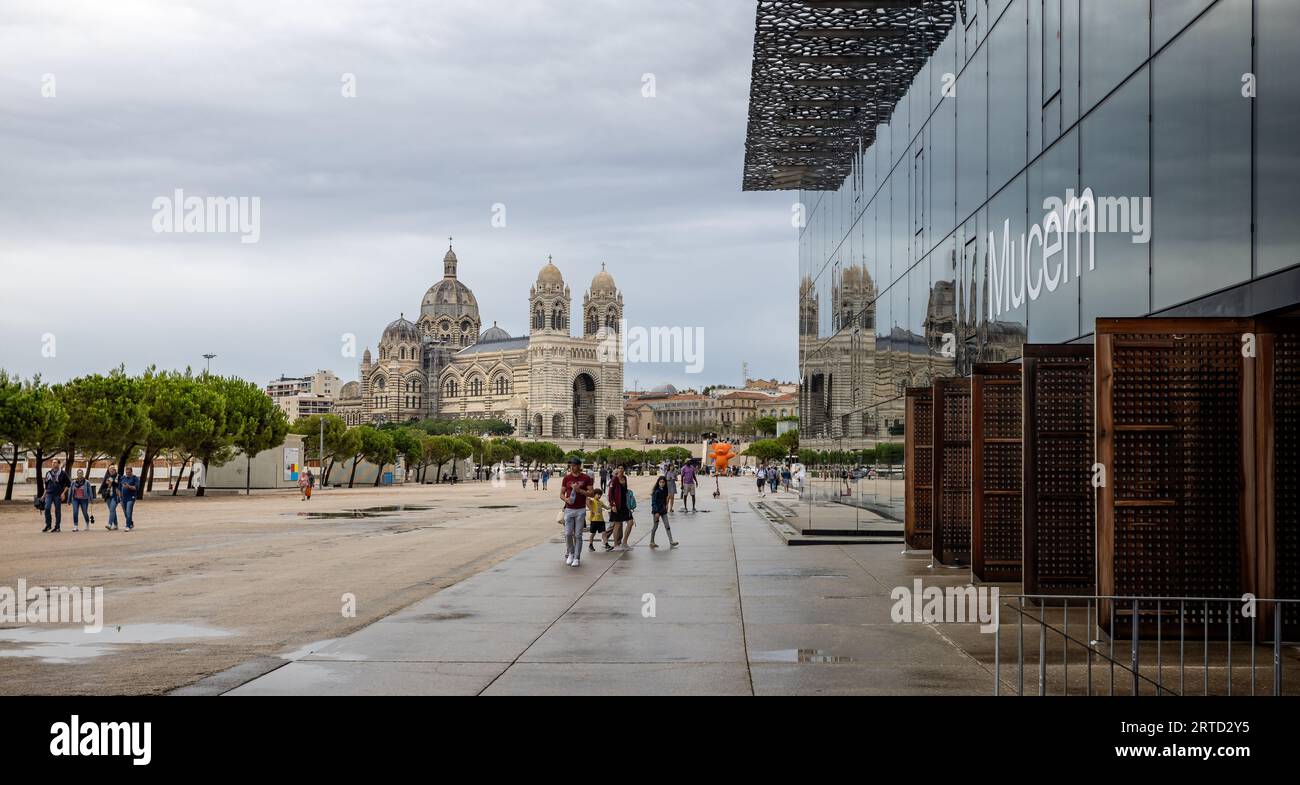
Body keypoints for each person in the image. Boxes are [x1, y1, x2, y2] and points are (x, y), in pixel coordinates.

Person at [560, 457, 595, 567]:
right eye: (571, 465)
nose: (572, 467)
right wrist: (566, 499)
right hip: (569, 509)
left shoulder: (586, 478)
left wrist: (579, 490)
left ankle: (576, 557)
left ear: (579, 466)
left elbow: (591, 493)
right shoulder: (566, 478)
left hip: (580, 509)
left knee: (578, 535)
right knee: (568, 533)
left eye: (574, 465)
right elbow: (561, 494)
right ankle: (571, 553)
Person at [607, 466, 635, 551]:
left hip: (625, 505)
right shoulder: (614, 479)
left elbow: (624, 490)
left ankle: (624, 543)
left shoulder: (625, 478)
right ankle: (616, 545)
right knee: (617, 525)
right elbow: (610, 493)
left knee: (630, 522)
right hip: (617, 505)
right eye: (619, 468)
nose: (621, 469)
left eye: (622, 468)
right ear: (617, 470)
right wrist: (612, 505)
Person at [40, 459, 70, 533]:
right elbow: (46, 486)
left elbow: (68, 484)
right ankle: (48, 525)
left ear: (59, 464)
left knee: (57, 510)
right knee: (47, 508)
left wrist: (63, 493)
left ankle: (57, 527)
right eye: (52, 462)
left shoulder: (63, 473)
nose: (53, 464)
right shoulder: (48, 473)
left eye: (55, 462)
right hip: (49, 494)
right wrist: (43, 495)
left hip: (58, 494)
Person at [649, 475, 678, 549]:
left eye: (663, 482)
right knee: (655, 526)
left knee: (667, 526)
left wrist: (666, 505)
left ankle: (671, 541)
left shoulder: (665, 491)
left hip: (663, 511)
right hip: (656, 512)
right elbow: (653, 502)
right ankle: (651, 541)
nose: (662, 484)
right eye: (660, 482)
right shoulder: (656, 491)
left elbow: (665, 500)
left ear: (665, 483)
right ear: (658, 483)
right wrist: (656, 512)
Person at [587, 486, 611, 552]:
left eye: (600, 495)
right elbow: (588, 501)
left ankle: (607, 545)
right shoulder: (592, 501)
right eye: (598, 494)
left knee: (604, 533)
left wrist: (612, 505)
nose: (599, 496)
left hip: (601, 520)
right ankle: (590, 545)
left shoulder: (601, 502)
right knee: (593, 533)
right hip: (594, 520)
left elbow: (607, 508)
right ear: (594, 495)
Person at [100, 465, 122, 531]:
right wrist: (107, 484)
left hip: (115, 496)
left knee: (112, 509)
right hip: (108, 496)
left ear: (115, 470)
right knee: (112, 510)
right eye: (110, 470)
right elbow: (103, 486)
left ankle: (109, 524)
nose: (111, 471)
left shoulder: (119, 476)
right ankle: (116, 525)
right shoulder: (107, 477)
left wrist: (113, 482)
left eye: (113, 469)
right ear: (109, 471)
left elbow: (120, 485)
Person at [119, 466, 140, 531]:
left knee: (128, 512)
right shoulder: (123, 478)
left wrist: (129, 486)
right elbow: (119, 487)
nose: (128, 473)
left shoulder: (135, 478)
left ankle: (127, 526)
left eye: (129, 472)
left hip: (131, 497)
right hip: (123, 498)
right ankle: (130, 523)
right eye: (126, 472)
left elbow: (136, 488)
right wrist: (119, 495)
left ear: (131, 472)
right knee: (125, 512)